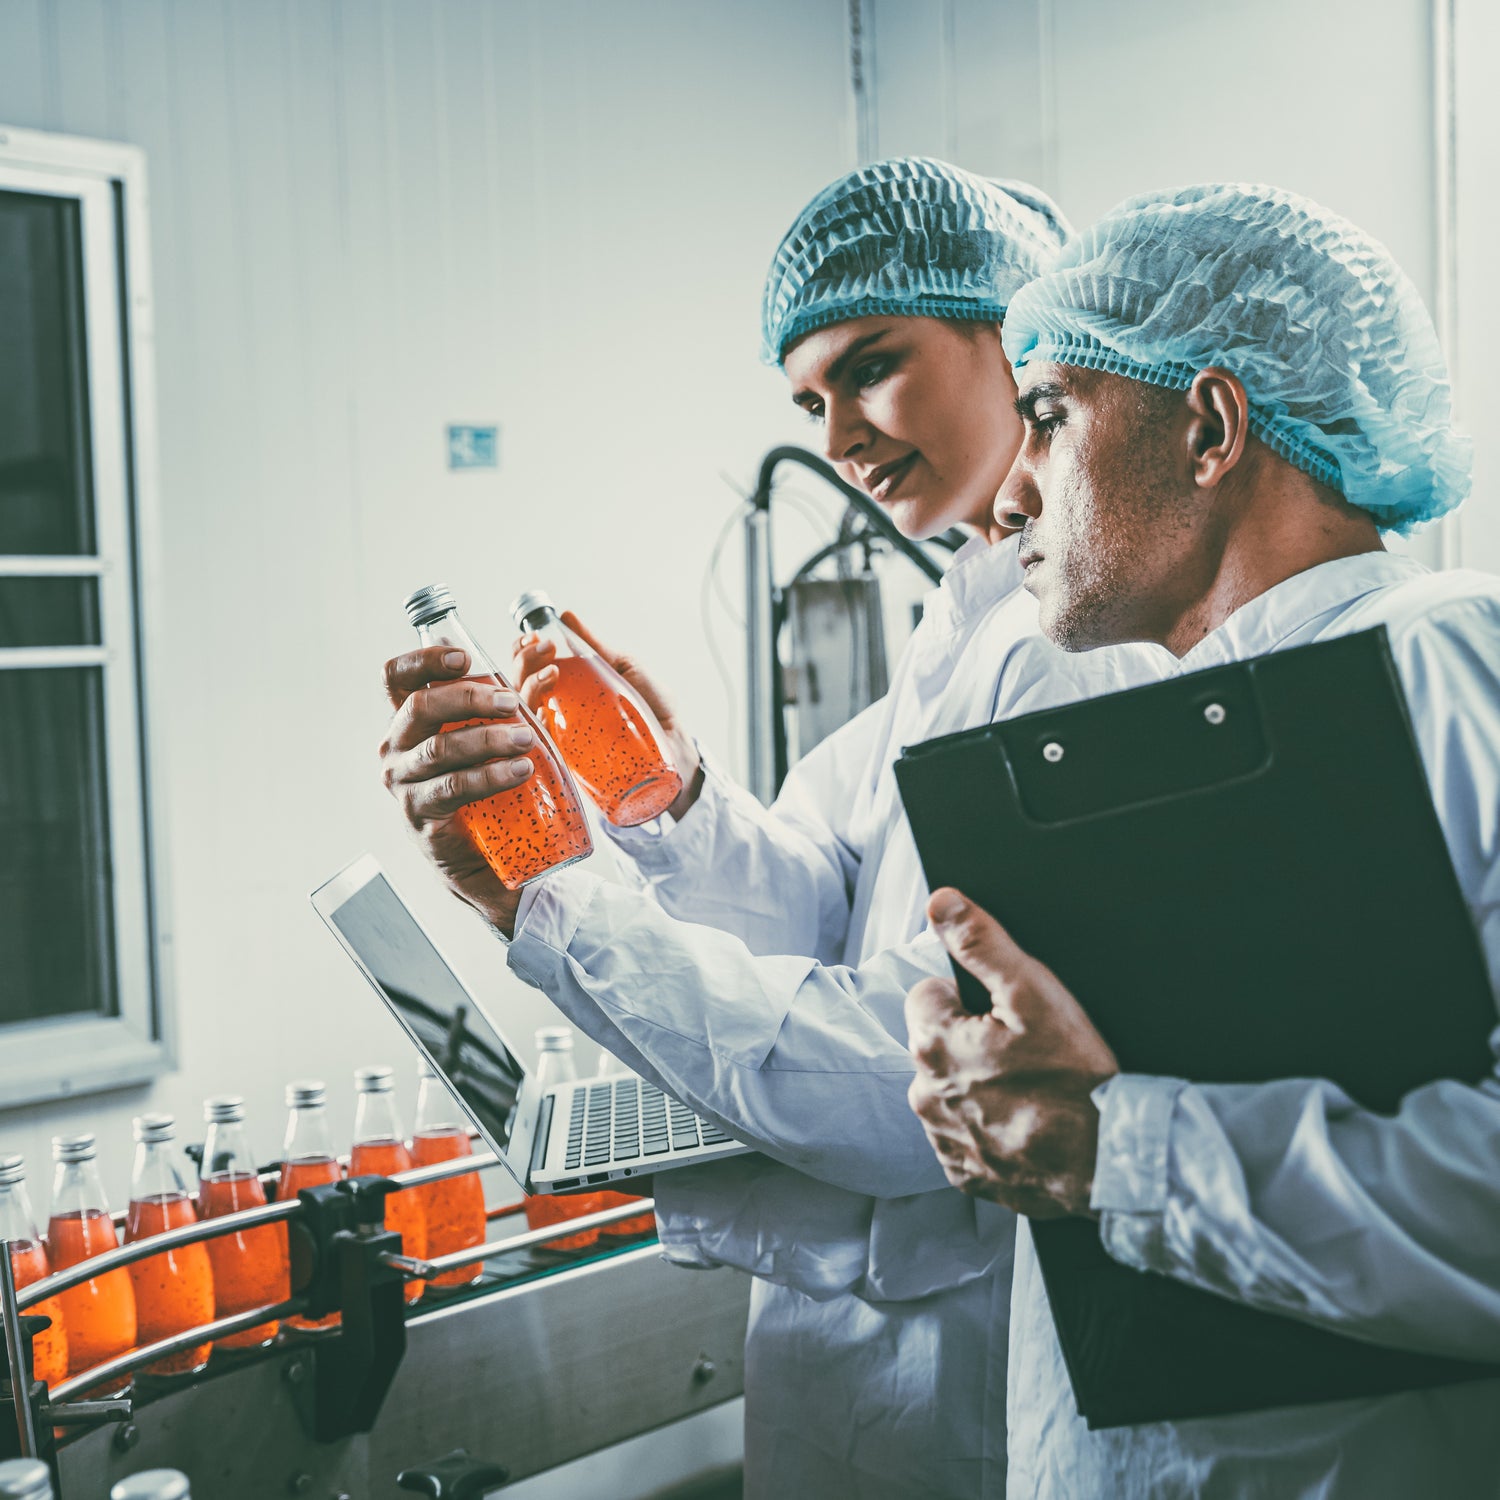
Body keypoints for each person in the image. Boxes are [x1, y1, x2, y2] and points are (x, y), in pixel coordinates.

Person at [380, 159, 1163, 1499]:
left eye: (873, 366)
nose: (839, 434)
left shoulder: (1072, 649)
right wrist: (667, 805)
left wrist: (556, 899)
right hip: (862, 1349)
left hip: (961, 1358)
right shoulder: (965, 617)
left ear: (1018, 331)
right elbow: (832, 900)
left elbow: (912, 1082)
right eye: (809, 400)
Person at [901, 182, 1500, 1498]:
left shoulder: (1447, 666)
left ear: (1211, 427)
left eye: (1048, 417)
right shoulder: (1164, 725)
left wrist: (1123, 1150)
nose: (1007, 495)